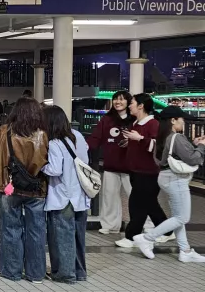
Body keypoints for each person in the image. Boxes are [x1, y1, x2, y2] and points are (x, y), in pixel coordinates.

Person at [133, 107, 205, 262]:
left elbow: (160, 159)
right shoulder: (176, 137)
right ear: (173, 120)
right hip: (176, 179)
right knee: (182, 217)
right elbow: (194, 159)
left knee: (178, 216)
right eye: (181, 119)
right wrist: (201, 146)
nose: (183, 122)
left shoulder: (161, 137)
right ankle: (147, 238)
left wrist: (192, 144)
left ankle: (184, 250)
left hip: (165, 176)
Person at [0, 97, 49, 282]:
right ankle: (36, 273)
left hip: (9, 187)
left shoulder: (4, 131)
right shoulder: (43, 133)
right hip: (37, 188)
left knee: (10, 229)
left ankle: (12, 271)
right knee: (37, 231)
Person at [42, 105, 90, 284]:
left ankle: (64, 274)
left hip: (63, 197)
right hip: (80, 196)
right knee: (78, 237)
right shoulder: (78, 136)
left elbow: (54, 170)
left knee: (62, 238)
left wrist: (40, 166)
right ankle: (79, 272)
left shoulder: (54, 143)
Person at [116, 93, 170, 249]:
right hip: (136, 170)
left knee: (136, 204)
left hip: (149, 172)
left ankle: (132, 236)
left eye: (132, 102)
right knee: (150, 204)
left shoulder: (153, 124)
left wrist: (139, 139)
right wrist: (129, 141)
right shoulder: (135, 124)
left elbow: (158, 146)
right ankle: (168, 231)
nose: (129, 105)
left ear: (141, 105)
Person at [87, 91, 133, 235]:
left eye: (121, 100)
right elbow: (95, 138)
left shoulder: (134, 119)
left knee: (136, 195)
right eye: (115, 100)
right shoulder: (106, 119)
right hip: (111, 164)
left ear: (128, 102)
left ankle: (146, 224)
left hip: (131, 166)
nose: (118, 102)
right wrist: (82, 149)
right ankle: (110, 225)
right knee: (109, 195)